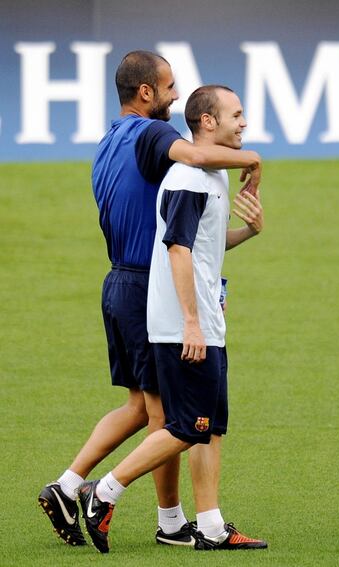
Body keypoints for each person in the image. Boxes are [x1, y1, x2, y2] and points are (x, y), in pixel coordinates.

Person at [38, 51, 262, 549]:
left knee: (143, 407)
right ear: (146, 93)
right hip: (147, 283)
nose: (175, 94)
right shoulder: (155, 135)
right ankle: (163, 519)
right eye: (169, 86)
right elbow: (197, 158)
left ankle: (70, 484)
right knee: (171, 417)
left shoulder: (106, 140)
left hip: (117, 281)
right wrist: (251, 158)